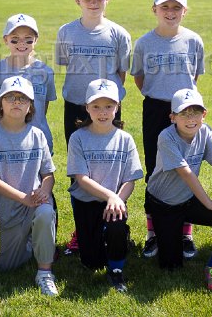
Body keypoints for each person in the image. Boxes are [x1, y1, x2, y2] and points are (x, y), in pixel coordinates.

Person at [55, 0, 132, 254]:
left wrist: (107, 102)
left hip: (108, 107)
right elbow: (66, 64)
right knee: (80, 170)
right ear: (77, 0)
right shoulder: (66, 31)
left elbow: (121, 73)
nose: (93, 2)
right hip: (76, 105)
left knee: (112, 166)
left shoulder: (119, 34)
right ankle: (82, 229)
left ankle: (116, 224)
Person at [130, 0, 204, 259]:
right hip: (156, 109)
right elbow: (139, 78)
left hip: (186, 109)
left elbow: (194, 77)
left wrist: (183, 106)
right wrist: (159, 97)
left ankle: (185, 233)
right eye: (165, 7)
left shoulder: (193, 40)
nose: (170, 12)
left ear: (185, 11)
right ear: (154, 9)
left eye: (176, 7)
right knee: (155, 169)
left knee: (187, 168)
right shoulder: (145, 43)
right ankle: (153, 234)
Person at [145, 88, 212, 291]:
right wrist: (211, 204)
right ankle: (156, 233)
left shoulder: (205, 132)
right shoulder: (166, 137)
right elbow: (186, 173)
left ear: (204, 114)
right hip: (164, 203)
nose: (190, 118)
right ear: (172, 117)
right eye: (184, 113)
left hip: (188, 199)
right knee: (171, 266)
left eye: (195, 112)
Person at [0, 76, 58, 296]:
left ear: (31, 106)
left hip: (36, 202)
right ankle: (33, 241)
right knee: (8, 267)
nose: (16, 102)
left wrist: (44, 191)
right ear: (0, 103)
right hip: (10, 208)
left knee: (46, 213)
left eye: (23, 98)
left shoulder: (37, 134)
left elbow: (48, 174)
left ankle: (45, 272)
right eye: (10, 97)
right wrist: (23, 198)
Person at [67, 79, 143, 293]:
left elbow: (130, 179)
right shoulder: (78, 137)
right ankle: (104, 240)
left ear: (117, 107)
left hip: (115, 202)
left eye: (108, 106)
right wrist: (111, 196)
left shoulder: (125, 139)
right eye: (96, 106)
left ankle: (116, 268)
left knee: (116, 227)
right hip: (86, 201)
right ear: (87, 108)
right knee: (92, 262)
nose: (103, 112)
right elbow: (81, 178)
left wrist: (117, 199)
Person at [0, 13, 56, 153]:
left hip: (38, 138)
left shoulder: (45, 72)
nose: (21, 43)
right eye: (15, 40)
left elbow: (43, 106)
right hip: (4, 139)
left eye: (28, 40)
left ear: (36, 40)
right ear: (6, 40)